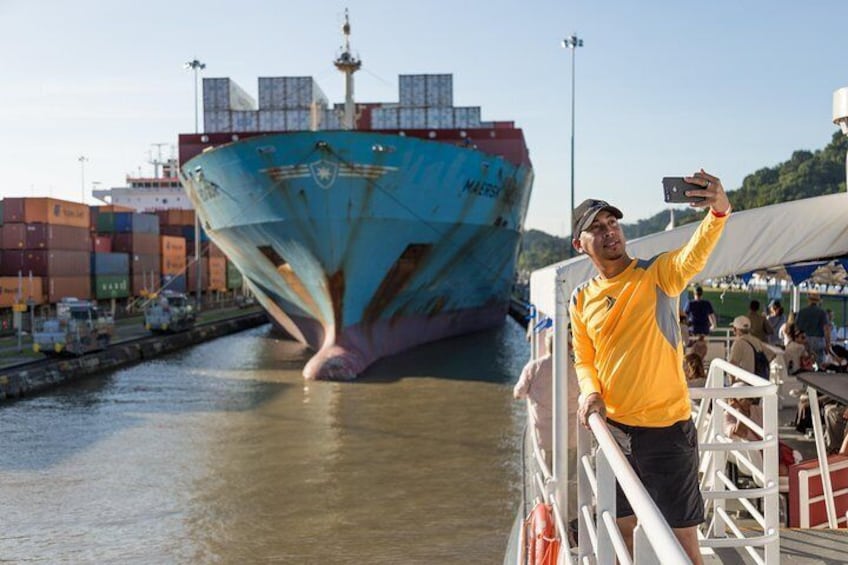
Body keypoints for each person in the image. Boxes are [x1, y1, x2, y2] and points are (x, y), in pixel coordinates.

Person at [570, 169, 730, 565]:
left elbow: (692, 257)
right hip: (617, 432)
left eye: (613, 223)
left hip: (666, 432)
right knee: (622, 530)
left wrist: (718, 213)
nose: (611, 232)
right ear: (580, 244)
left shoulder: (656, 274)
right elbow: (583, 357)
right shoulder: (580, 299)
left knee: (683, 543)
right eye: (598, 228)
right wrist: (590, 391)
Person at [513, 330, 580, 521]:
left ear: (548, 345)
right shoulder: (576, 368)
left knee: (546, 479)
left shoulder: (534, 368)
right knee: (571, 480)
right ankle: (571, 521)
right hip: (571, 436)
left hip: (544, 437)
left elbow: (518, 392)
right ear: (569, 346)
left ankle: (547, 520)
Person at [795, 292, 830, 367]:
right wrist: (828, 344)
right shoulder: (822, 313)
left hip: (804, 340)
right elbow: (826, 329)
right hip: (818, 341)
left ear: (808, 300)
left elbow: (797, 328)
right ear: (818, 301)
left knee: (805, 362)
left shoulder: (802, 312)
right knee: (819, 364)